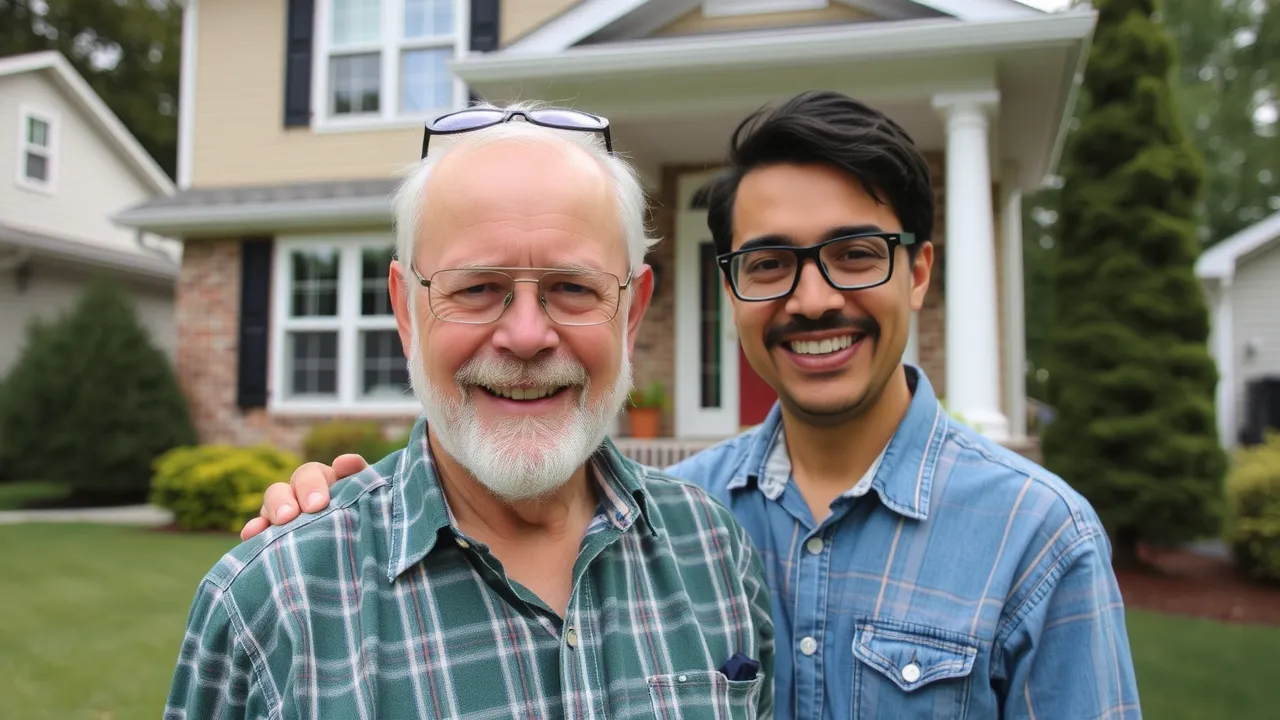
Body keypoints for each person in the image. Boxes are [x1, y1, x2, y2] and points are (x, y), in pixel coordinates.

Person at [246, 91, 1142, 719]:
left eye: (858, 253)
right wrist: (352, 512)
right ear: (730, 290)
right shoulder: (679, 525)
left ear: (919, 270)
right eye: (768, 263)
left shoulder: (1037, 538)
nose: (814, 298)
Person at [167, 104, 775, 719]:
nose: (528, 335)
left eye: (573, 287)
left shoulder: (714, 547)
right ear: (406, 311)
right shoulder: (273, 604)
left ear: (630, 313)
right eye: (477, 288)